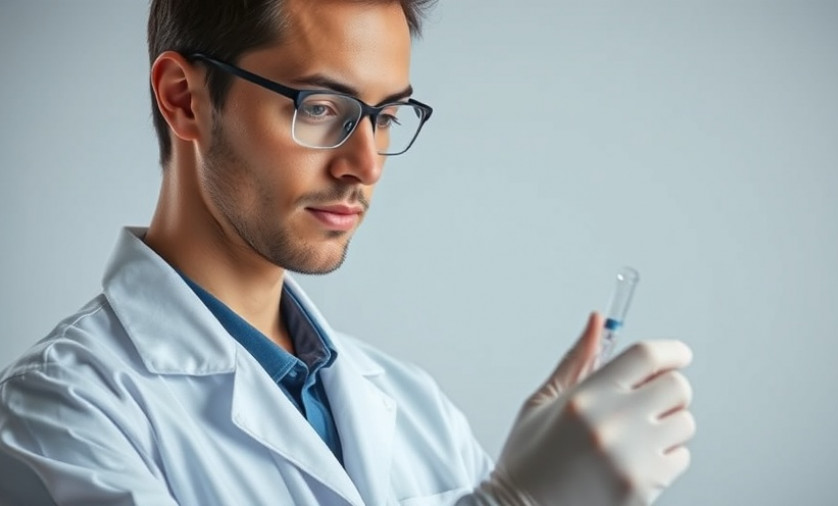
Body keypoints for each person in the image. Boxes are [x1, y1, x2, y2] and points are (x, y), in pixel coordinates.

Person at [0, 0, 696, 504]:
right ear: (185, 99)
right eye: (319, 107)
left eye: (384, 116)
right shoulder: (60, 413)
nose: (366, 164)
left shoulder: (411, 404)